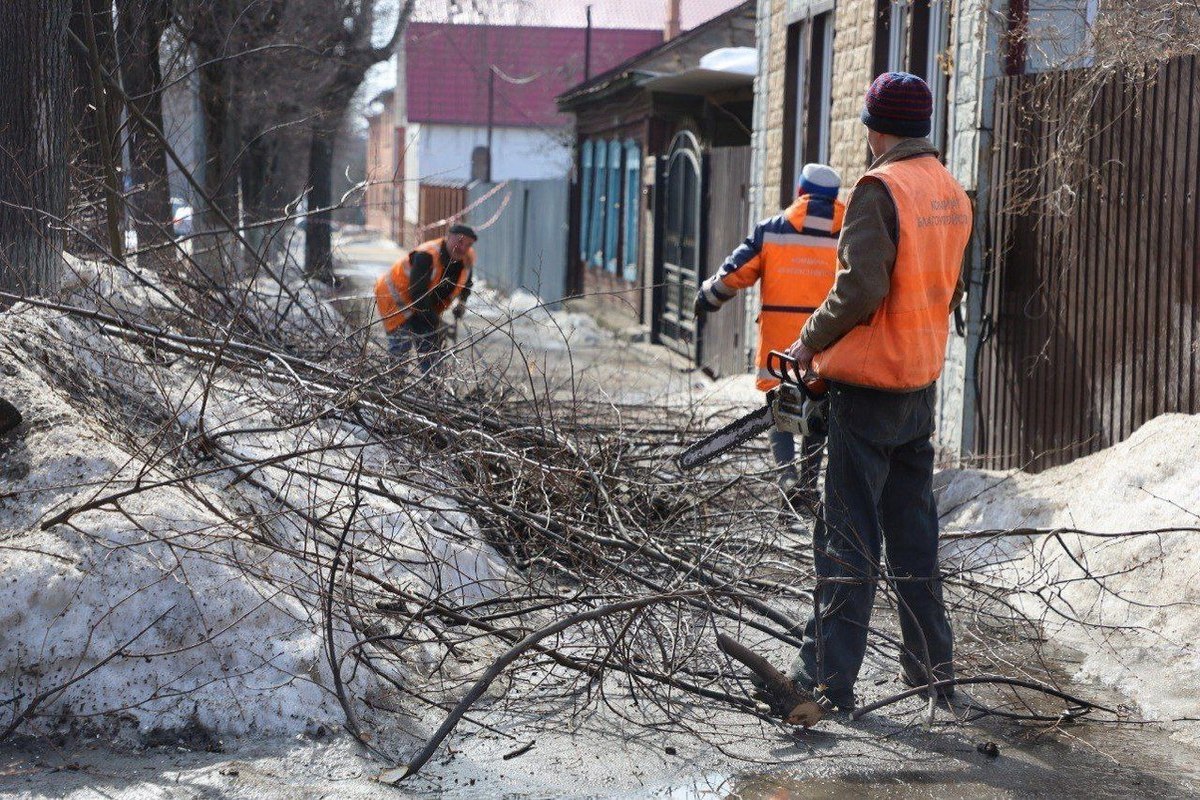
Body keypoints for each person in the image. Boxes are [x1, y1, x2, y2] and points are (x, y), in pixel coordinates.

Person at [783, 72, 972, 714]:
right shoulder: (948, 188)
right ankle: (931, 671)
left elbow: (860, 288)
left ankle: (824, 681)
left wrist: (809, 340)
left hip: (866, 391)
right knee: (913, 537)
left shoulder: (879, 188)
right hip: (919, 385)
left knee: (849, 538)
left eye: (867, 124)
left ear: (877, 128)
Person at [694, 163, 844, 506]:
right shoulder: (848, 233)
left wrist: (708, 297)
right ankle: (806, 487)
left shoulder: (772, 230)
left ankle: (786, 476)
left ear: (800, 193)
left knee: (781, 411)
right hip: (825, 345)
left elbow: (735, 272)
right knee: (817, 413)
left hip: (780, 348)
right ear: (835, 198)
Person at [375, 224, 477, 373]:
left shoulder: (466, 258)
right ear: (448, 237)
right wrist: (437, 322)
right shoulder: (426, 255)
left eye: (468, 244)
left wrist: (461, 303)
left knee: (430, 347)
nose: (463, 247)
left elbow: (466, 282)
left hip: (423, 305)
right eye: (460, 242)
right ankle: (393, 388)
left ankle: (433, 389)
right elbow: (418, 295)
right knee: (401, 346)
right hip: (395, 299)